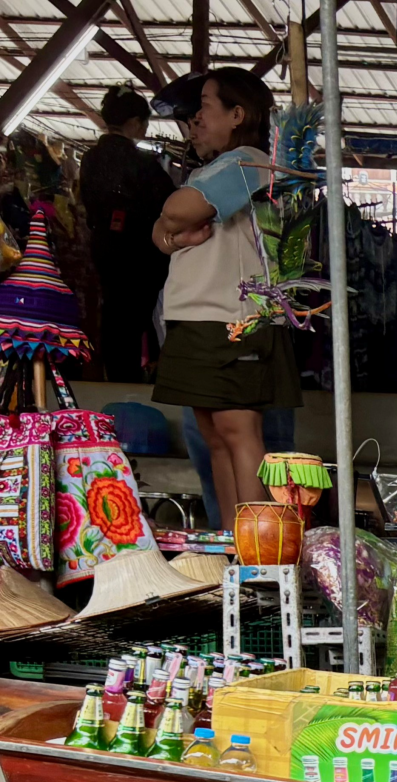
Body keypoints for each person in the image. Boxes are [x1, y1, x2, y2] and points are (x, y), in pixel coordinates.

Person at [150, 68, 299, 530]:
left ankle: (260, 552)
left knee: (238, 431)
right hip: (197, 318)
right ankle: (236, 544)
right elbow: (160, 234)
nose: (195, 118)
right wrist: (173, 233)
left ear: (238, 114)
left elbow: (175, 213)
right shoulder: (210, 170)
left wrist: (173, 224)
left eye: (206, 106)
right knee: (216, 437)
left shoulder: (249, 162)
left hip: (231, 319)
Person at [77, 86, 175, 387]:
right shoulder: (141, 163)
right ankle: (133, 378)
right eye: (143, 123)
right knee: (136, 318)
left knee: (113, 314)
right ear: (133, 122)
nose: (144, 130)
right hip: (139, 252)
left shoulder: (91, 159)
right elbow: (169, 205)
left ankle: (116, 377)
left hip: (104, 248)